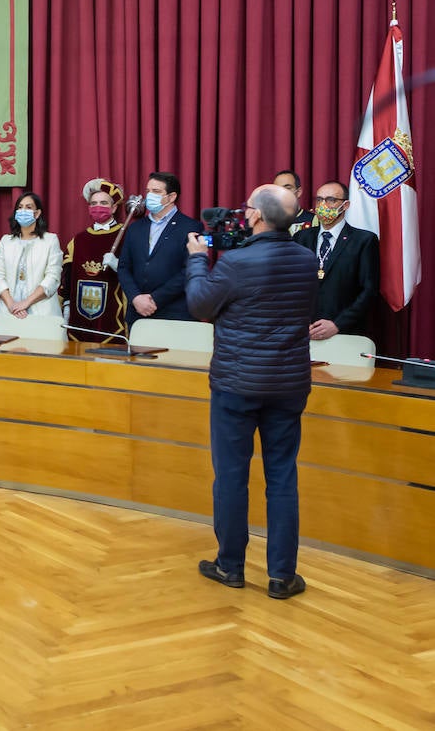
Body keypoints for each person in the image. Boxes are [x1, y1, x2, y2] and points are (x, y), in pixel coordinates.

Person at [186, 184, 317, 599]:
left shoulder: (235, 263)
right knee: (282, 479)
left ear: (257, 217)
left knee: (230, 477)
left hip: (236, 386)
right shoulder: (307, 258)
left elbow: (200, 306)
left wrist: (196, 261)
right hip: (288, 384)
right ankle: (281, 576)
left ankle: (230, 566)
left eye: (247, 211)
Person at [293, 181, 380, 339]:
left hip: (345, 333)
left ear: (345, 205)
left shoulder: (363, 240)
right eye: (319, 199)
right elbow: (292, 285)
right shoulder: (301, 238)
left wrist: (337, 324)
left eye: (331, 200)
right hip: (304, 333)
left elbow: (369, 291)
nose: (323, 205)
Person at [117, 171, 203, 328]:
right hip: (138, 314)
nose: (149, 196)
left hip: (174, 314)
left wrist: (155, 299)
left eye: (156, 192)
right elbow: (123, 267)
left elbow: (189, 270)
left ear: (171, 197)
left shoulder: (191, 227)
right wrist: (136, 298)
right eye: (148, 191)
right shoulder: (135, 228)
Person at [61, 178, 127, 341]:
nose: (98, 207)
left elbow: (138, 274)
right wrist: (67, 303)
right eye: (93, 203)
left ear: (114, 207)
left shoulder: (126, 236)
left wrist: (118, 265)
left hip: (113, 318)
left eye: (104, 202)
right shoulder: (79, 240)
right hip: (79, 318)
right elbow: (68, 276)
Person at [0, 191, 62, 318]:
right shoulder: (6, 241)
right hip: (9, 311)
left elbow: (53, 278)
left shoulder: (50, 240)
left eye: (28, 207)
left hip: (42, 312)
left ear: (37, 213)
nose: (23, 210)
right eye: (20, 207)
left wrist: (26, 302)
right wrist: (12, 305)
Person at [273, 169, 315, 235]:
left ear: (298, 192)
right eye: (277, 189)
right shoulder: (268, 221)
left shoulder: (313, 220)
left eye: (287, 188)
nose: (282, 192)